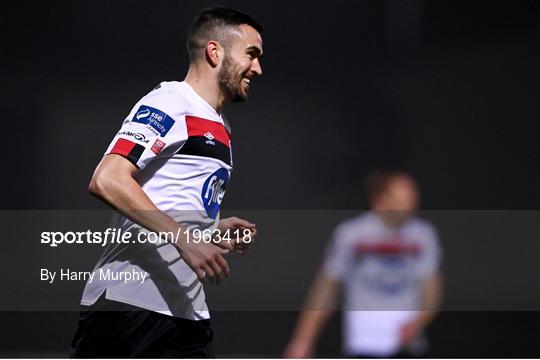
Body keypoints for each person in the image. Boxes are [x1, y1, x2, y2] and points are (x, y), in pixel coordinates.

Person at [71, 7, 263, 358]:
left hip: (187, 315)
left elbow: (166, 198)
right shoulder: (170, 102)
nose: (258, 68)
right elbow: (107, 178)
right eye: (251, 54)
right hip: (129, 308)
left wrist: (208, 229)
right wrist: (185, 238)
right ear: (215, 51)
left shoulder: (221, 125)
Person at [284, 170, 443, 358]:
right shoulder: (351, 234)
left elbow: (432, 290)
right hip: (363, 346)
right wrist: (303, 341)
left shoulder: (423, 236)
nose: (411, 202)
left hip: (407, 347)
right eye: (402, 197)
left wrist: (418, 321)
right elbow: (325, 291)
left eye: (412, 195)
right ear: (379, 200)